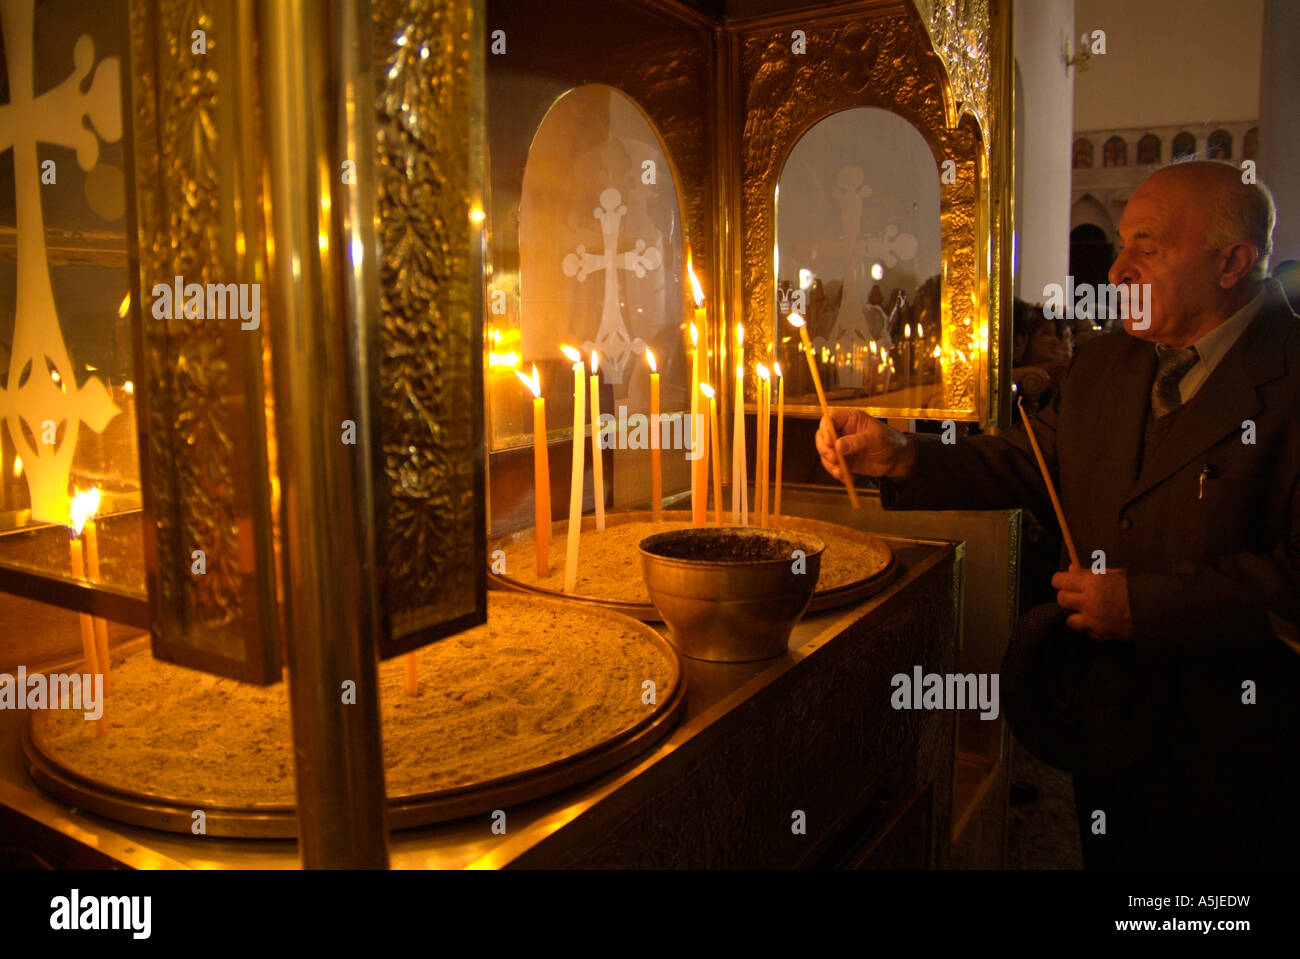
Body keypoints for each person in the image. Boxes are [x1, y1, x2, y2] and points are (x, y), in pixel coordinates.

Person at [815, 160, 1300, 868]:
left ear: (1234, 262)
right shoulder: (1111, 366)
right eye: (1122, 244)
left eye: (1148, 247)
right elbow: (1026, 459)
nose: (1117, 271)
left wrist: (1145, 604)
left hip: (1239, 748)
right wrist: (899, 454)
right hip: (1109, 718)